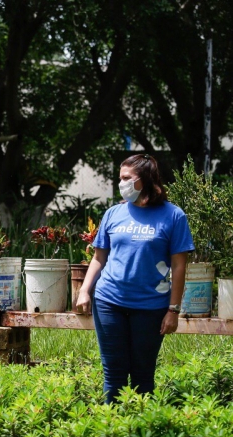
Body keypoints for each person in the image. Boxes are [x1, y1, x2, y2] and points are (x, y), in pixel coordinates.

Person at [76, 154, 194, 403]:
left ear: (145, 180)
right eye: (120, 178)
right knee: (114, 374)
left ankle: (141, 436)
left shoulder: (173, 216)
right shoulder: (113, 214)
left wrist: (173, 310)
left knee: (143, 376)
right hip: (109, 301)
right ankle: (113, 434)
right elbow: (99, 258)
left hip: (151, 306)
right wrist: (85, 290)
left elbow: (179, 266)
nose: (122, 183)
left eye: (127, 178)